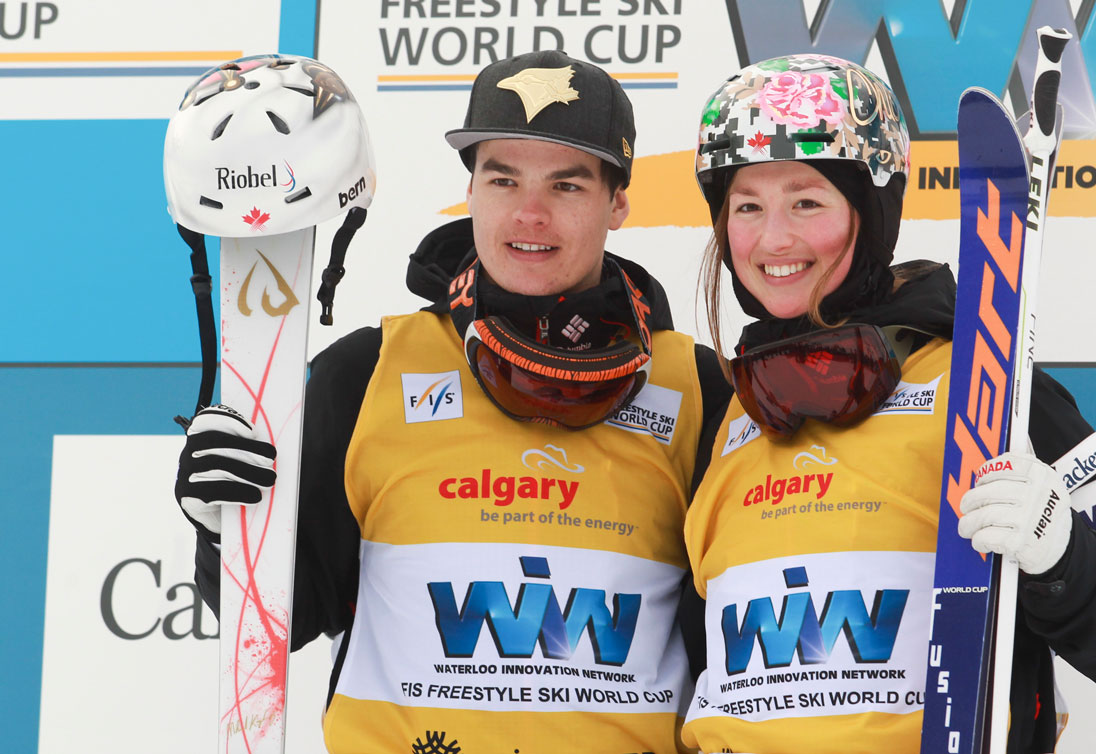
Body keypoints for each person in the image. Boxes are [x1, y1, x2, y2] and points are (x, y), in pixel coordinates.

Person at [173, 50, 729, 753]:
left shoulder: (698, 389)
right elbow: (281, 622)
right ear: (470, 191)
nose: (529, 213)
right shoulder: (367, 372)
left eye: (567, 185)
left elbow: (741, 647)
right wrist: (225, 531)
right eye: (502, 179)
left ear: (618, 202)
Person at [680, 54, 1096, 753]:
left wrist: (1060, 550)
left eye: (806, 201)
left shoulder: (985, 379)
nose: (773, 239)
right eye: (747, 206)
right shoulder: (729, 413)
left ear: (871, 209)